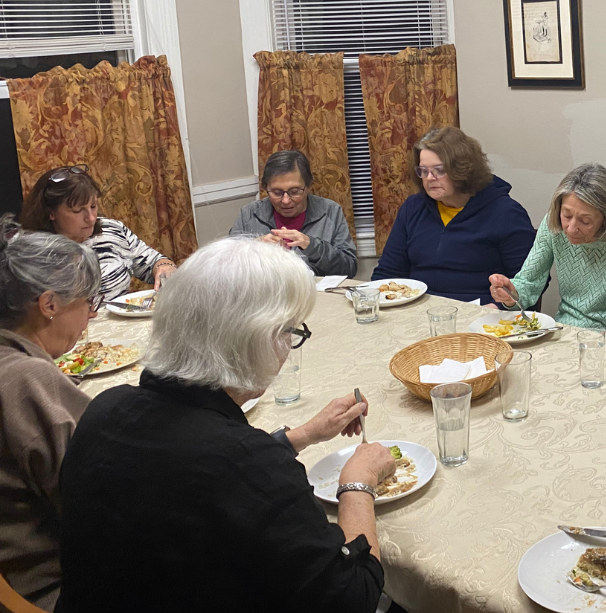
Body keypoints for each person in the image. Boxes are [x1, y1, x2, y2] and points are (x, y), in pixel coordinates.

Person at [56, 237, 402, 613]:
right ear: (255, 339)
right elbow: (353, 597)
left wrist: (301, 436)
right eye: (289, 332)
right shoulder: (246, 464)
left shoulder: (106, 408)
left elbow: (193, 475)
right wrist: (357, 484)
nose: (289, 346)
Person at [0, 215, 99, 609]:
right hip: (52, 586)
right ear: (49, 304)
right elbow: (101, 499)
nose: (91, 317)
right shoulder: (26, 380)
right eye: (88, 303)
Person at [374, 127, 535, 303]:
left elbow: (529, 284)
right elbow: (388, 273)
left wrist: (501, 308)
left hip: (478, 313)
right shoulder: (413, 208)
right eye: (423, 171)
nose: (429, 178)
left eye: (439, 170)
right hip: (417, 311)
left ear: (463, 170)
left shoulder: (506, 213)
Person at [488, 163, 606, 332]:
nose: (571, 228)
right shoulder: (552, 225)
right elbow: (529, 282)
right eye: (566, 215)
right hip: (566, 330)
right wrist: (511, 294)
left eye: (585, 221)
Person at [20, 164, 176, 300]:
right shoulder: (33, 254)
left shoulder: (111, 230)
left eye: (93, 206)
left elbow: (154, 261)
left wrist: (164, 266)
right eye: (78, 210)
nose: (91, 217)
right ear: (51, 213)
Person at [229, 150, 357, 278]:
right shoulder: (249, 214)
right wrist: (254, 246)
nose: (285, 200)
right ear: (265, 188)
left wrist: (313, 246)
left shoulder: (330, 211)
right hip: (265, 294)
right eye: (277, 192)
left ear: (308, 187)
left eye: (294, 191)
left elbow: (349, 269)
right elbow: (226, 267)